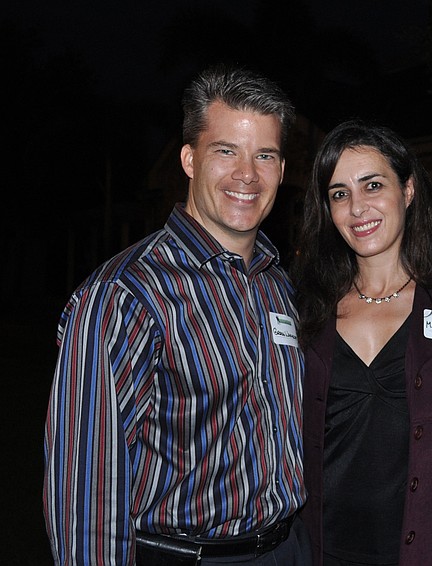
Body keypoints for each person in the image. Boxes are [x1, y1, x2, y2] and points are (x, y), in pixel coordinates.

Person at [43, 65, 311, 565]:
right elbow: (85, 487)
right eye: (226, 150)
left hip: (286, 549)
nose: (247, 175)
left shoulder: (278, 285)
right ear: (189, 159)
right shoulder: (125, 294)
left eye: (265, 155)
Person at [293, 119, 432, 566]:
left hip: (429, 549)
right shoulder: (305, 311)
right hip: (322, 550)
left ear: (409, 190)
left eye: (372, 185)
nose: (357, 208)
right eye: (339, 194)